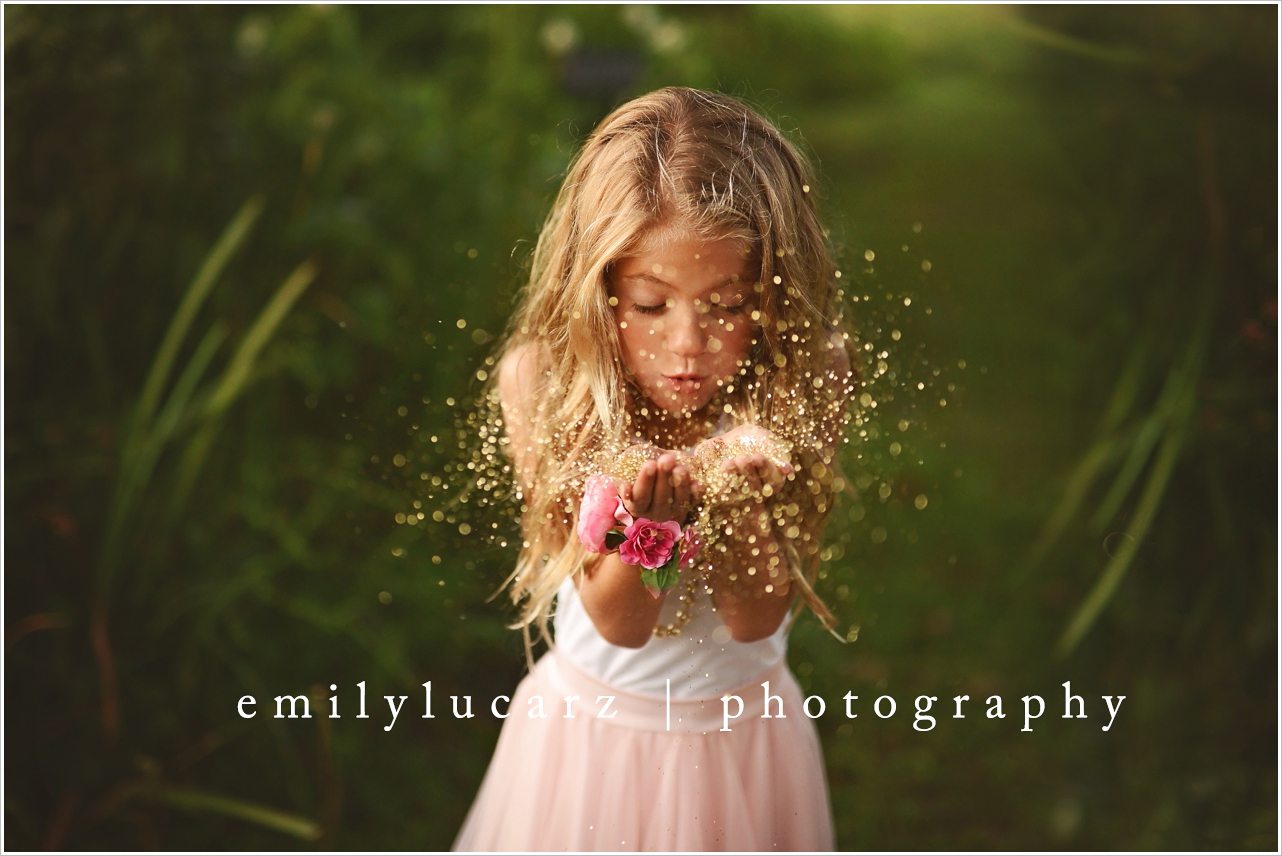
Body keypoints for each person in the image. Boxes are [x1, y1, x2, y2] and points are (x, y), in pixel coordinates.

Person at [452, 86, 855, 852]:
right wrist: (658, 529)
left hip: (741, 738)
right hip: (595, 744)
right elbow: (619, 623)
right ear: (598, 291)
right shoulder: (543, 383)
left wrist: (732, 493)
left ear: (772, 293)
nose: (688, 344)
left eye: (727, 305)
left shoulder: (808, 376)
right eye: (649, 304)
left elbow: (754, 617)